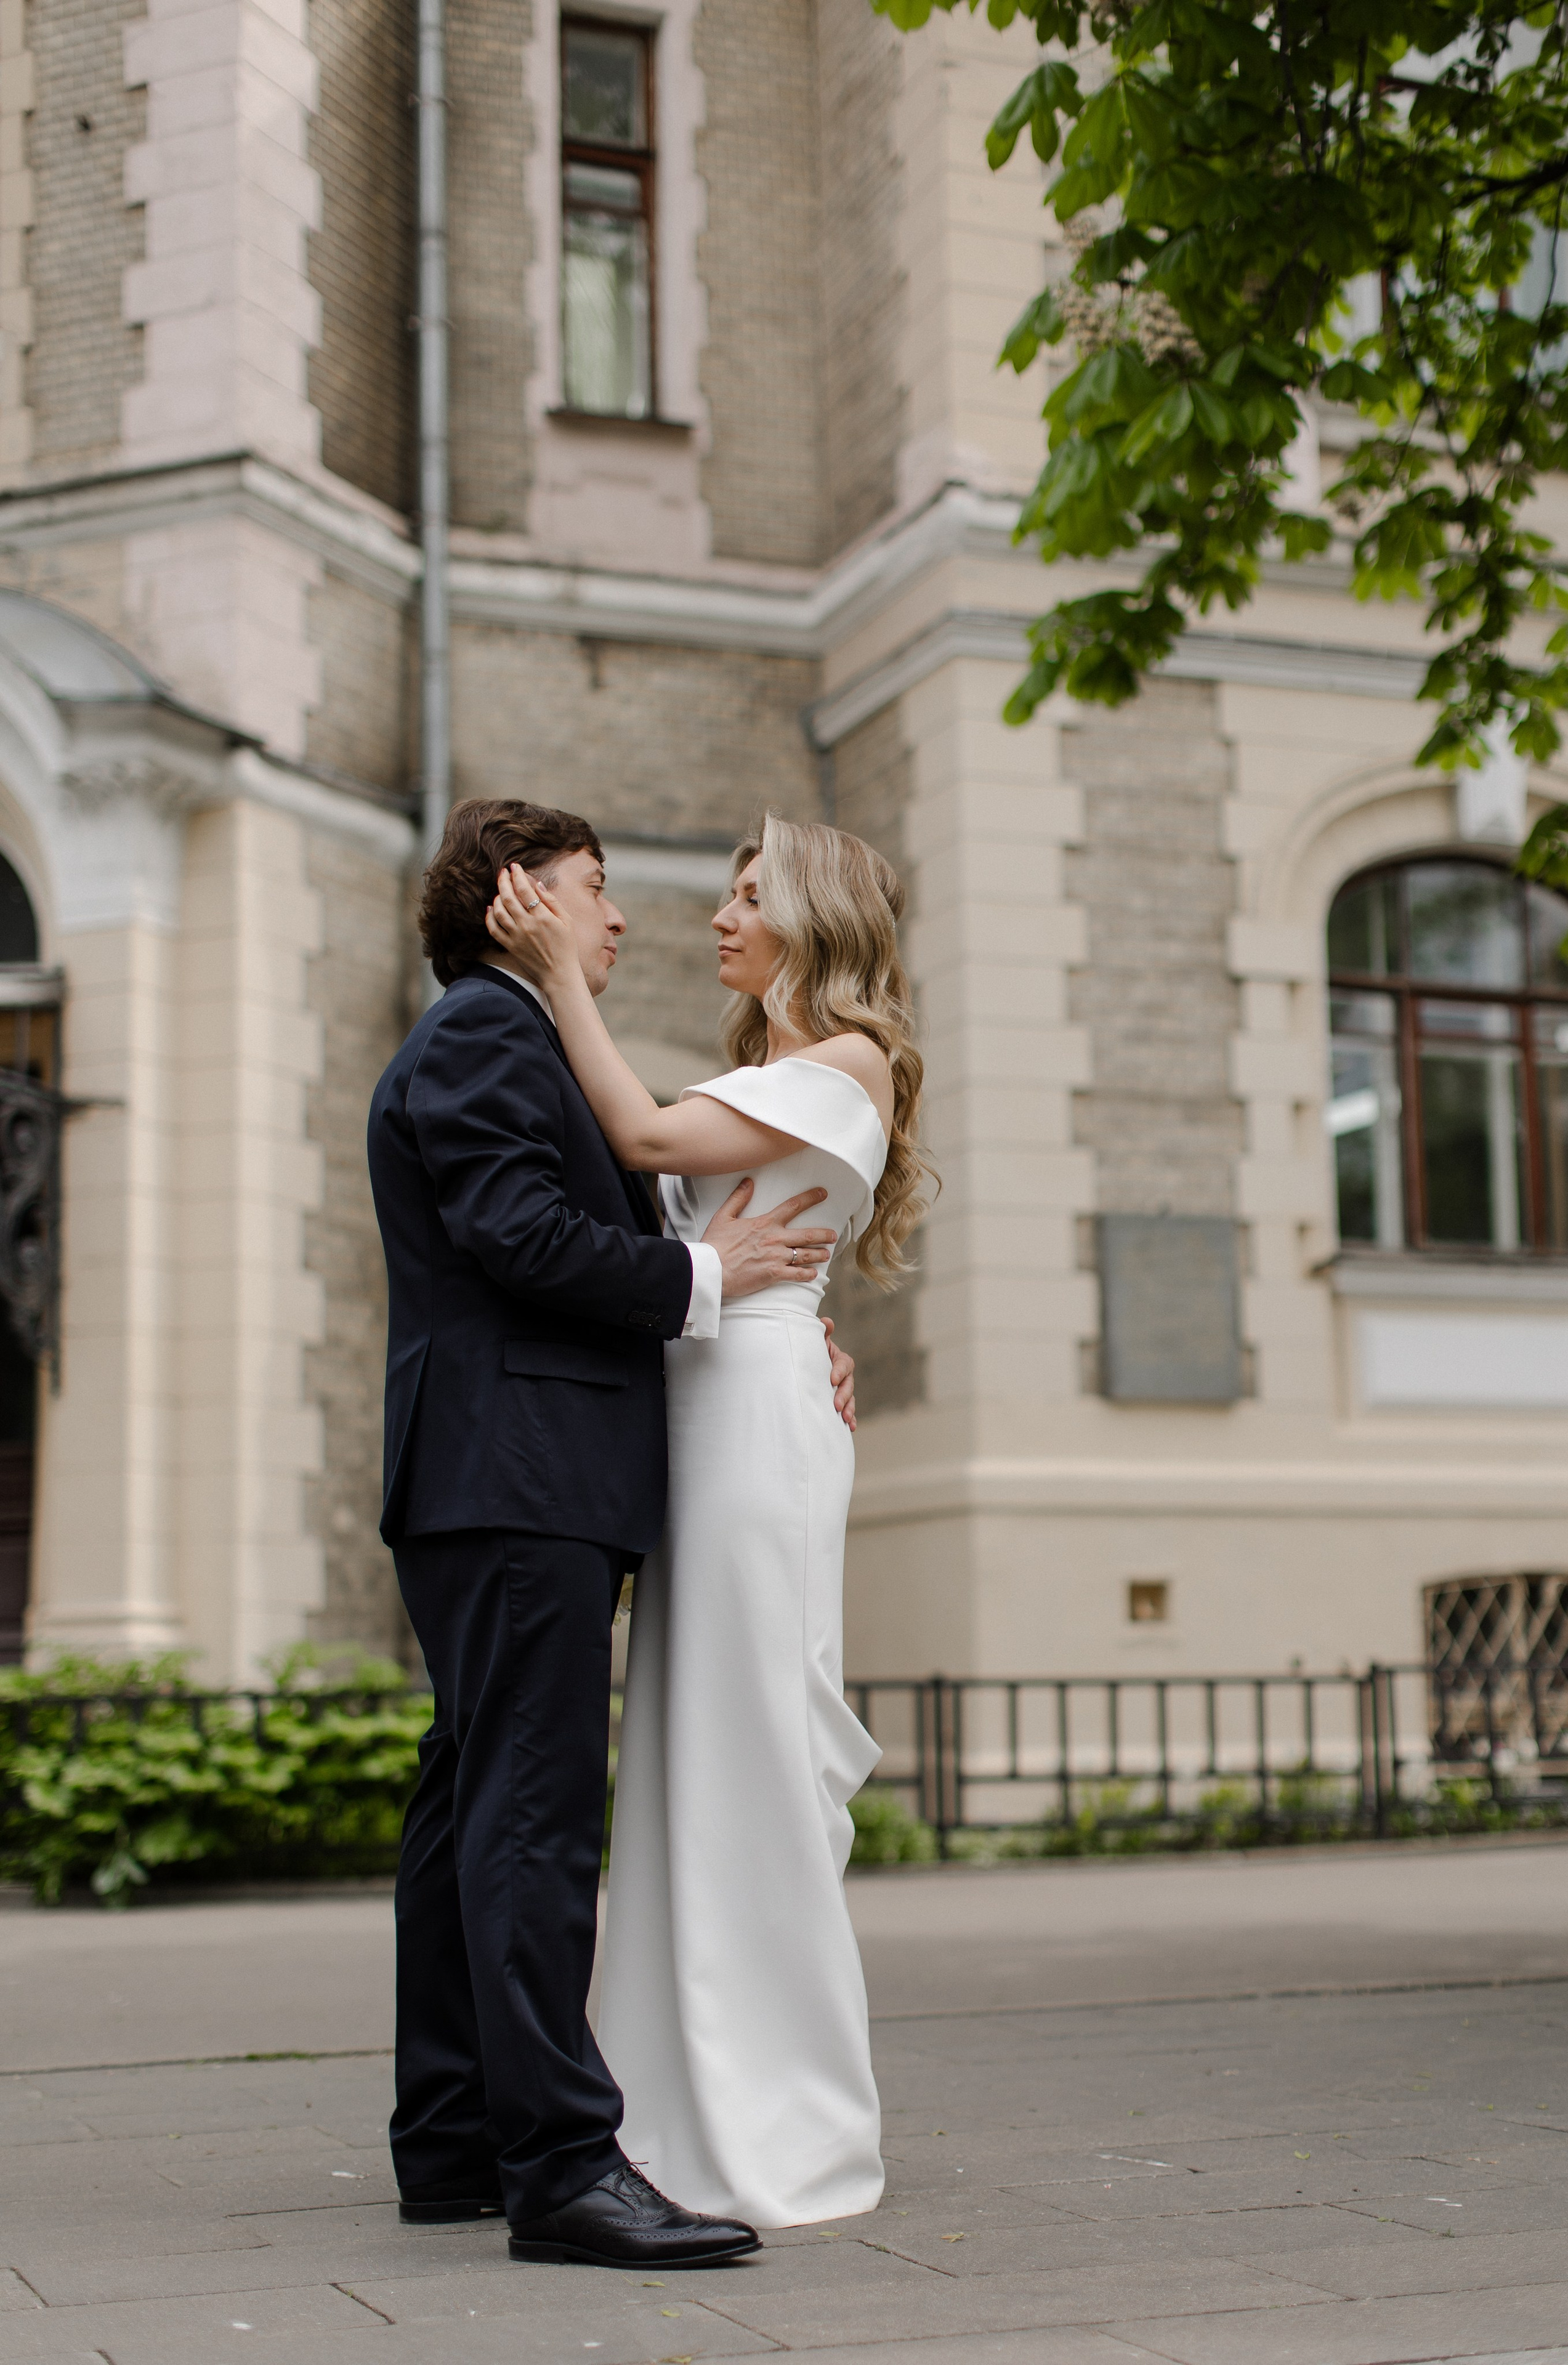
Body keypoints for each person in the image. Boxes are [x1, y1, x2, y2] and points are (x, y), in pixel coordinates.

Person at [366, 798, 859, 2270]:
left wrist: (774, 1324)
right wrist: (704, 1278)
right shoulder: (485, 1033)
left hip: (506, 1475)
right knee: (529, 1816)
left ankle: (453, 2140)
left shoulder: (506, 1036)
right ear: (521, 896)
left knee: (468, 1807)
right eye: (593, 889)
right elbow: (519, 1235)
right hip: (517, 1477)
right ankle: (566, 2167)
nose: (622, 918)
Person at [484, 810, 932, 2229]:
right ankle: (671, 2110)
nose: (720, 918)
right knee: (683, 1758)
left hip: (752, 1426)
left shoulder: (844, 1059)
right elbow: (713, 1235)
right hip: (707, 1404)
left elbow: (638, 1133)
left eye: (748, 897)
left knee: (751, 1748)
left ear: (811, 919)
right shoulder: (770, 1072)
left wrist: (558, 969)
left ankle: (783, 2121)